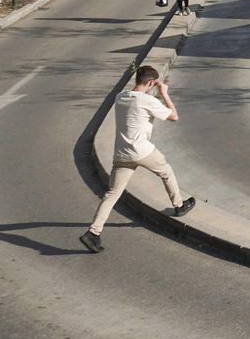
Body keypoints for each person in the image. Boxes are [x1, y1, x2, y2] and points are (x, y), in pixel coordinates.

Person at [80, 65, 195, 253]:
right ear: (151, 82)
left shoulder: (120, 97)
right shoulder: (148, 100)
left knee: (111, 194)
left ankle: (93, 233)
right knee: (166, 171)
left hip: (122, 153)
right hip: (142, 151)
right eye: (153, 84)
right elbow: (174, 116)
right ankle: (179, 206)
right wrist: (164, 93)